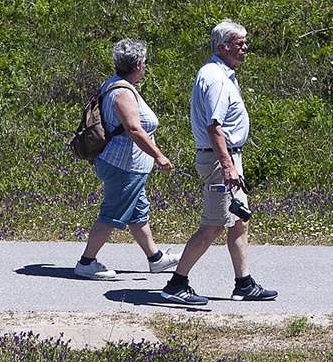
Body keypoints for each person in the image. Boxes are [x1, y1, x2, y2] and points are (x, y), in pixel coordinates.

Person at [160, 19, 278, 305]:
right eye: (240, 43)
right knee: (213, 225)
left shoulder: (223, 74)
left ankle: (244, 284)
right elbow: (215, 127)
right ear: (223, 46)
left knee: (239, 221)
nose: (245, 48)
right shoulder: (214, 78)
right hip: (219, 160)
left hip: (228, 157)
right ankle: (176, 284)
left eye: (245, 43)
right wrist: (227, 166)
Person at [75, 39, 180, 281]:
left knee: (137, 213)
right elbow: (134, 129)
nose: (146, 67)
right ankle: (86, 262)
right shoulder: (123, 93)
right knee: (112, 214)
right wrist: (159, 155)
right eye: (145, 62)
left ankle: (156, 259)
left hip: (122, 163)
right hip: (124, 165)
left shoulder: (113, 84)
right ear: (137, 65)